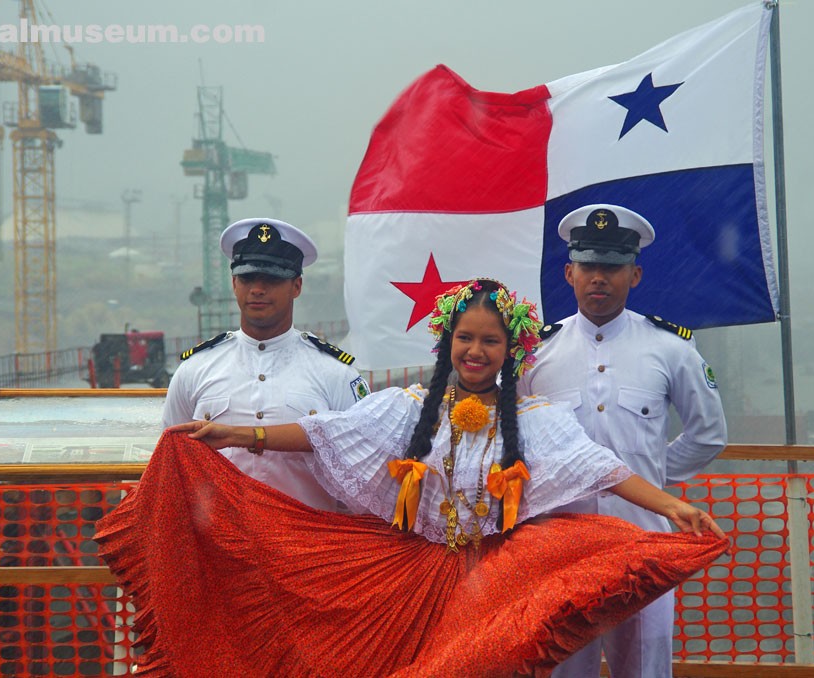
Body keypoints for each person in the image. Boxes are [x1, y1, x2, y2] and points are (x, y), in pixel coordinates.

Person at [97, 277, 728, 676]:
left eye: (489, 342)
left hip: (494, 575)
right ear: (446, 343)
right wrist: (238, 434)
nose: (475, 352)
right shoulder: (406, 408)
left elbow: (603, 470)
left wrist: (672, 508)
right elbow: (325, 434)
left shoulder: (536, 420)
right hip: (412, 577)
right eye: (464, 339)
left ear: (513, 353)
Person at [518, 204, 728, 678]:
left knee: (645, 667)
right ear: (569, 272)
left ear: (634, 274)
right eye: (589, 266)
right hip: (559, 546)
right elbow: (511, 438)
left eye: (611, 267)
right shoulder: (534, 354)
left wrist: (643, 479)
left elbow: (708, 432)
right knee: (564, 667)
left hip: (643, 541)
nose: (599, 277)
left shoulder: (670, 348)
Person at [162, 217, 370, 510]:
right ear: (234, 283)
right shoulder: (195, 369)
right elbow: (170, 461)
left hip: (304, 544)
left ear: (296, 286)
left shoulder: (335, 373)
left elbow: (363, 473)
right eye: (247, 279)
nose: (257, 289)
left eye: (271, 279)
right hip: (220, 544)